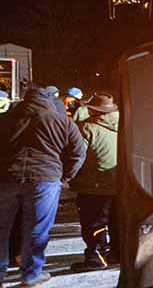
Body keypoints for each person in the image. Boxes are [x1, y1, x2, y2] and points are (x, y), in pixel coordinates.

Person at [0, 86, 87, 286]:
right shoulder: (62, 122)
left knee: (1, 228)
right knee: (37, 229)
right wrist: (64, 177)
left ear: (24, 100)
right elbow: (78, 153)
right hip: (45, 180)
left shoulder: (4, 120)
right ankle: (31, 275)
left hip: (6, 179)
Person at [69, 92, 120, 271]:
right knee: (116, 220)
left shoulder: (87, 128)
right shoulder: (125, 125)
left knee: (94, 223)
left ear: (93, 110)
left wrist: (68, 177)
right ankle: (117, 254)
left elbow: (77, 155)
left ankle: (96, 258)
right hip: (120, 184)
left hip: (94, 185)